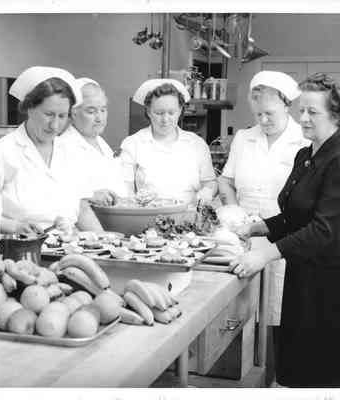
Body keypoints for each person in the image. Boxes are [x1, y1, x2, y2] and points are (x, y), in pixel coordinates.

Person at [231, 72, 340, 387]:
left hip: (328, 284)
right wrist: (256, 227)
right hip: (301, 274)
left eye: (313, 112)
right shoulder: (306, 154)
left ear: (335, 115)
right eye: (301, 110)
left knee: (319, 369)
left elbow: (323, 229)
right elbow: (293, 215)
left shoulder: (337, 159)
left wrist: (267, 253)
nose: (303, 119)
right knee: (293, 360)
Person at [218, 70, 309, 381]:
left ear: (287, 105)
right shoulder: (245, 138)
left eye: (269, 113)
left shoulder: (304, 140)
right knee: (244, 311)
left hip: (285, 236)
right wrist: (231, 208)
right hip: (244, 234)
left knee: (279, 313)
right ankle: (248, 375)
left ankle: (275, 377)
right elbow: (227, 180)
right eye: (258, 113)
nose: (263, 120)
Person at [0, 66, 103, 234]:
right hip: (21, 250)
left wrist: (104, 240)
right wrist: (15, 227)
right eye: (49, 114)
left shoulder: (72, 152)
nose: (55, 125)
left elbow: (82, 209)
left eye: (62, 116)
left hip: (69, 247)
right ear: (30, 108)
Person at [120, 78, 217, 205]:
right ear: (148, 111)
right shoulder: (132, 144)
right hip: (147, 217)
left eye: (171, 113)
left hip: (190, 216)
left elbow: (210, 182)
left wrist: (207, 192)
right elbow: (125, 189)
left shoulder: (196, 144)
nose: (165, 119)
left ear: (180, 111)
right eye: (159, 113)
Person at [61, 77, 126, 206]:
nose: (99, 118)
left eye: (103, 110)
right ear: (74, 113)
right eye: (91, 111)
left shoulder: (101, 142)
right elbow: (60, 192)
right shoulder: (63, 146)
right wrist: (91, 195)